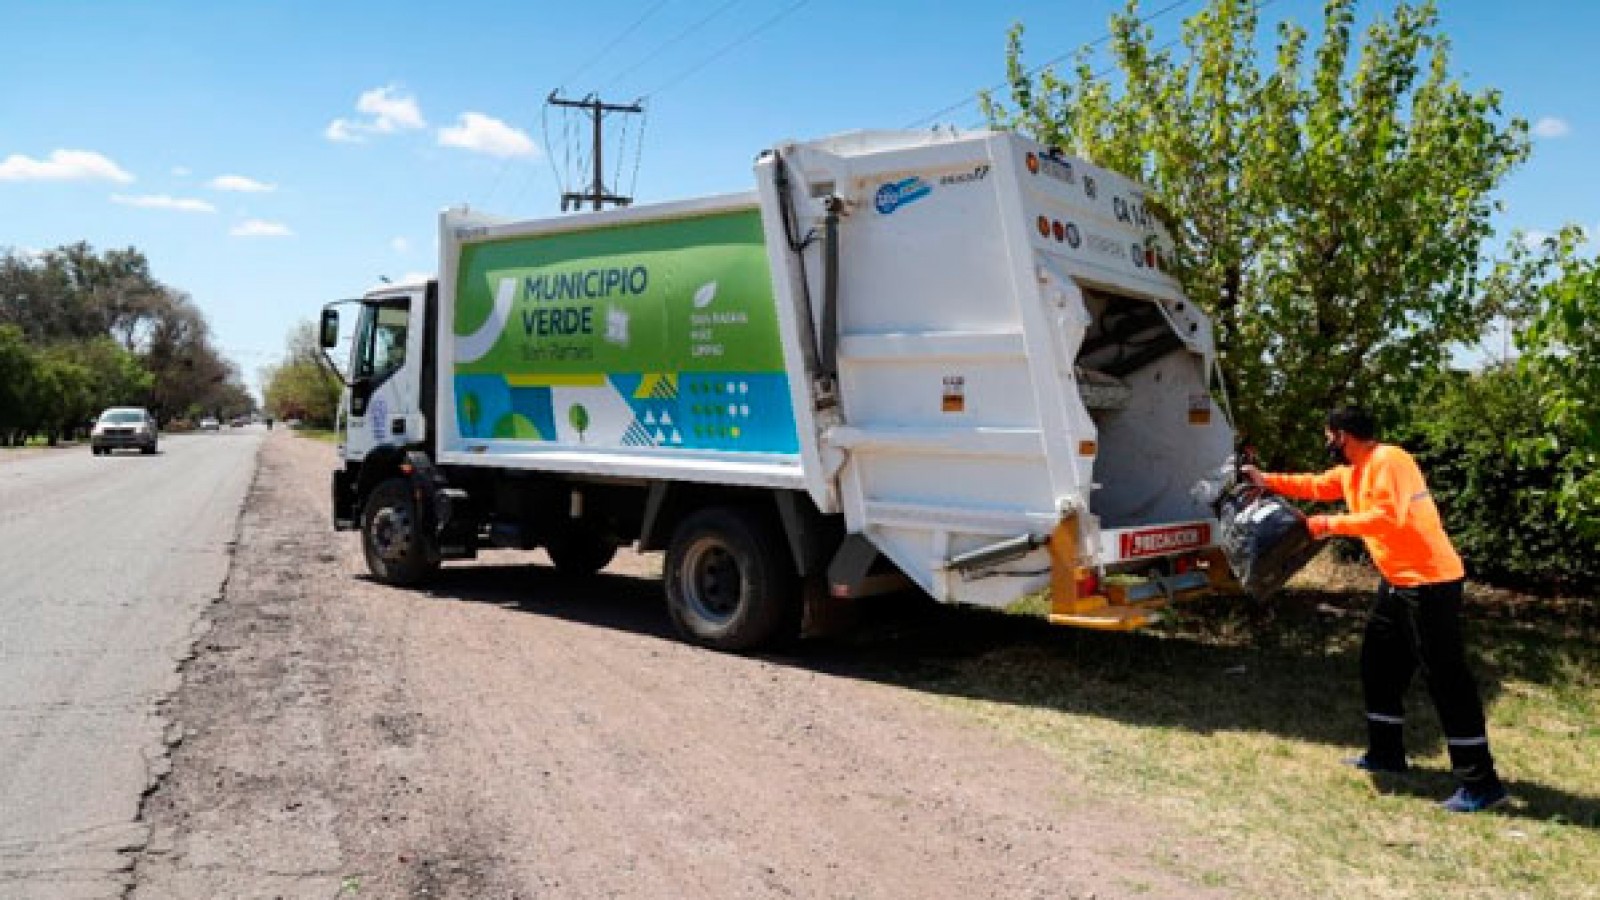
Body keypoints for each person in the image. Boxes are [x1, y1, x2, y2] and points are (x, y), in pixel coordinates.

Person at [1241, 405, 1508, 813]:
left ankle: (1481, 783)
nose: (1327, 443)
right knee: (1378, 665)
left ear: (1342, 435)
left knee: (1446, 679)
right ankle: (1387, 754)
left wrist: (1326, 525)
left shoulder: (1390, 461)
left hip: (1430, 583)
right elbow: (1316, 485)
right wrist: (1266, 480)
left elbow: (1386, 519)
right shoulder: (1354, 471)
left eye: (1328, 436)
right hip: (1397, 582)